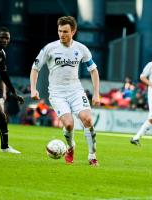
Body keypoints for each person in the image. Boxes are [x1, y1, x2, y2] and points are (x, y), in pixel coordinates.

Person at [30, 16, 100, 166]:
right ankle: (70, 147)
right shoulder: (49, 48)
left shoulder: (81, 49)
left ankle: (92, 155)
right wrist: (33, 89)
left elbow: (94, 71)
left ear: (73, 31)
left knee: (88, 119)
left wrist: (96, 93)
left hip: (76, 90)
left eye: (65, 31)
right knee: (69, 124)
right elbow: (35, 68)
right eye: (60, 31)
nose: (62, 34)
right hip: (57, 93)